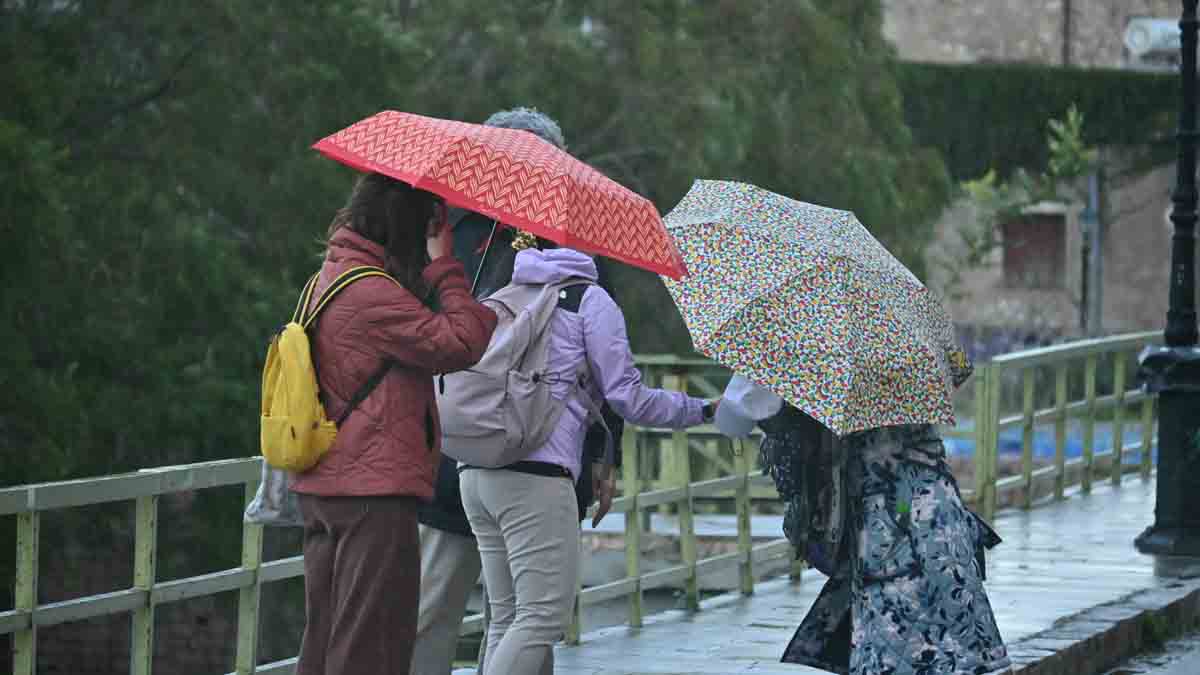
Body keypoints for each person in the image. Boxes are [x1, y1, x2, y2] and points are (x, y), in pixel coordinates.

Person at [411, 107, 627, 675]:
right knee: (440, 607)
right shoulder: (446, 233)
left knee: (526, 616)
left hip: (536, 454)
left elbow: (602, 357)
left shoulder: (575, 245)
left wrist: (605, 454)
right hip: (454, 454)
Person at [456, 236, 717, 674]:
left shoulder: (502, 290)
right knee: (540, 618)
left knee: (506, 615)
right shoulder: (590, 300)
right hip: (535, 479)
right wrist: (704, 410)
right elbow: (628, 398)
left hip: (475, 468)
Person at [289, 172, 498, 675]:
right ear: (405, 223)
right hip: (371, 492)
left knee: (328, 636)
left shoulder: (331, 278)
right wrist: (446, 264)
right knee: (371, 639)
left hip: (330, 482)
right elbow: (461, 342)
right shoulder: (371, 294)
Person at [715, 375, 1011, 675]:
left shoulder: (804, 351)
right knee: (957, 644)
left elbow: (731, 422)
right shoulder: (905, 348)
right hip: (942, 514)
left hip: (883, 527)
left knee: (895, 644)